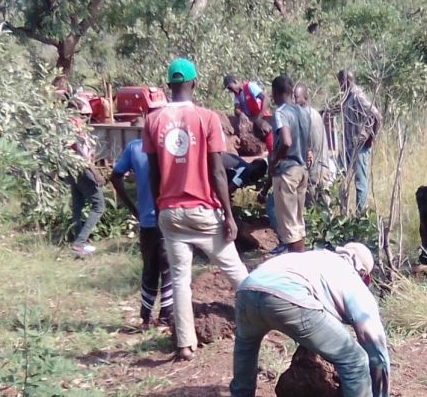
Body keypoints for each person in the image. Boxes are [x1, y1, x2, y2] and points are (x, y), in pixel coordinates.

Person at [228, 242, 394, 397]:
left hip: (248, 290)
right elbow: (375, 347)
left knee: (247, 341)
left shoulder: (312, 259)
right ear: (363, 273)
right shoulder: (350, 277)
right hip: (287, 297)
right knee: (355, 360)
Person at [143, 58, 248, 361]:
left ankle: (185, 344)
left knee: (179, 279)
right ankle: (264, 316)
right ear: (194, 83)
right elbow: (217, 172)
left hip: (170, 212)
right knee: (236, 270)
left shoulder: (153, 121)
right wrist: (228, 215)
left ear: (169, 85)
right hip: (203, 212)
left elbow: (152, 173)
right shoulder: (207, 118)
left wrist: (160, 207)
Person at [111, 119, 173, 330]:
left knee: (150, 268)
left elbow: (115, 176)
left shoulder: (134, 148)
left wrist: (133, 208)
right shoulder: (170, 146)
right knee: (168, 268)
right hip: (170, 218)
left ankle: (145, 318)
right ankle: (165, 319)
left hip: (146, 220)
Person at [268, 75, 311, 254]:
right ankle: (301, 263)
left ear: (275, 93)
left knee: (289, 227)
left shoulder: (281, 113)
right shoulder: (302, 112)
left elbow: (286, 141)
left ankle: (296, 267)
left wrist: (275, 162)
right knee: (298, 224)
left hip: (287, 172)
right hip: (302, 170)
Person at [337, 69, 382, 214]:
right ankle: (344, 213)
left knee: (360, 183)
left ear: (346, 81)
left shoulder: (357, 96)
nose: (339, 86)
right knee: (340, 178)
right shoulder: (347, 97)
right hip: (348, 146)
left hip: (359, 146)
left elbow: (376, 115)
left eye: (340, 82)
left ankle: (360, 217)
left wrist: (371, 137)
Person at [67, 96, 106, 256]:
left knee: (78, 205)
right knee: (99, 206)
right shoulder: (78, 127)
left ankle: (78, 240)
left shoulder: (63, 125)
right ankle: (80, 242)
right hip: (83, 169)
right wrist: (96, 173)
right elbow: (83, 154)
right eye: (85, 116)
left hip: (70, 169)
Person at [293, 82, 332, 209]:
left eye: (296, 97)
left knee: (312, 212)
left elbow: (306, 147)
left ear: (305, 97)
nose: (294, 100)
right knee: (325, 209)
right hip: (323, 169)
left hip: (313, 172)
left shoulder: (303, 116)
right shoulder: (315, 113)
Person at [224, 75, 274, 155]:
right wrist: (241, 114)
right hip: (253, 120)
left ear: (235, 82)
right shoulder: (237, 95)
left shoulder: (250, 86)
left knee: (268, 140)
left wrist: (259, 118)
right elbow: (236, 109)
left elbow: (266, 99)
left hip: (263, 118)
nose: (230, 90)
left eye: (230, 87)